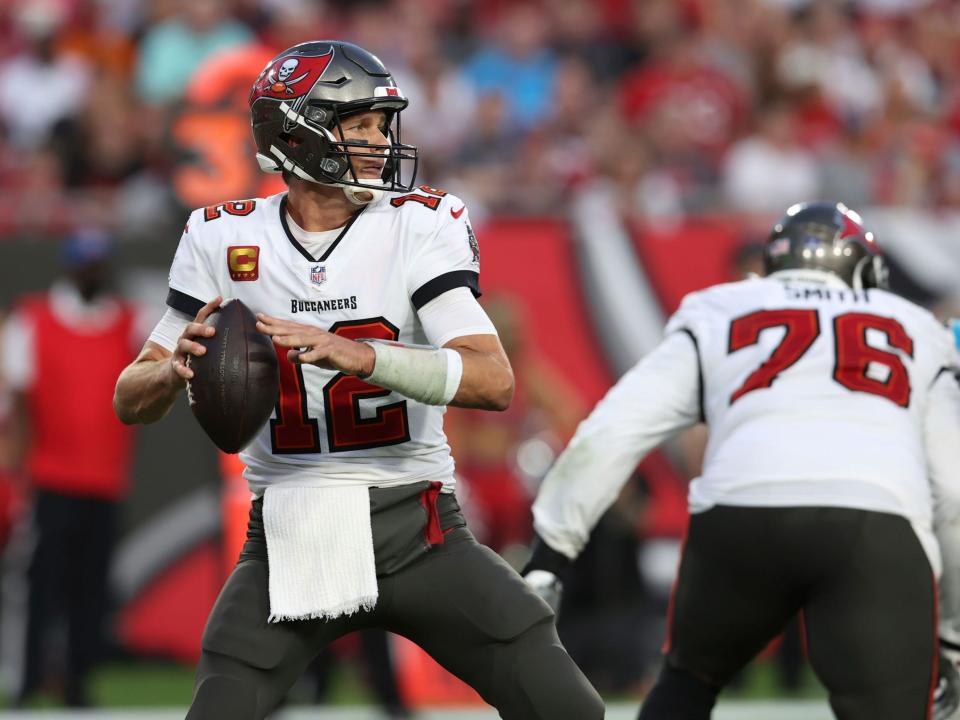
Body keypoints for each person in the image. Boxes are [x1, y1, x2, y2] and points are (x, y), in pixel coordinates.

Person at [113, 40, 603, 720]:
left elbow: (493, 381)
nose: (379, 141)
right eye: (359, 125)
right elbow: (128, 398)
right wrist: (172, 369)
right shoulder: (221, 238)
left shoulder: (420, 225)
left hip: (418, 526)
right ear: (295, 134)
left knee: (567, 709)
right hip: (290, 532)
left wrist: (362, 356)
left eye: (381, 124)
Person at [522, 201, 960, 720]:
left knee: (686, 683)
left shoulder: (720, 308)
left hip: (741, 511)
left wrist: (549, 554)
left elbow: (614, 428)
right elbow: (951, 490)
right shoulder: (915, 325)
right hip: (876, 518)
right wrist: (952, 635)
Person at [1, 230, 141, 707]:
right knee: (41, 588)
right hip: (50, 477)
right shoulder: (34, 319)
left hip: (104, 479)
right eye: (84, 264)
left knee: (91, 590)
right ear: (68, 266)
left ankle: (79, 683)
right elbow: (19, 403)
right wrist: (18, 470)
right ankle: (27, 682)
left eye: (97, 264)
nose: (91, 273)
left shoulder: (126, 321)